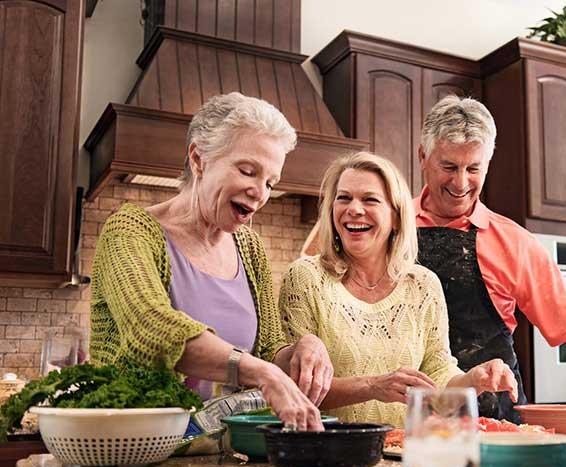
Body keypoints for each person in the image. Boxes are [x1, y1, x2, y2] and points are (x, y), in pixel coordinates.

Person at [90, 92, 331, 431]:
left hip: (222, 454)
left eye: (270, 182)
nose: (260, 193)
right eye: (248, 171)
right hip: (136, 448)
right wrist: (262, 373)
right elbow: (150, 328)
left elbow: (268, 349)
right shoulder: (130, 232)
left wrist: (304, 348)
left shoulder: (250, 248)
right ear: (198, 159)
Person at [415, 95, 566, 422]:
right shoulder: (388, 226)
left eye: (474, 168)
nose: (461, 183)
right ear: (422, 157)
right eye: (449, 167)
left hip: (495, 424)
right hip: (410, 418)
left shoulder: (513, 242)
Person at [280, 152, 517, 428]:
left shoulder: (423, 285)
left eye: (370, 199)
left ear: (396, 216)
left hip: (403, 452)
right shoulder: (306, 278)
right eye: (343, 198)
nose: (354, 209)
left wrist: (473, 380)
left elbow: (437, 374)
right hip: (328, 452)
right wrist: (371, 386)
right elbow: (294, 386)